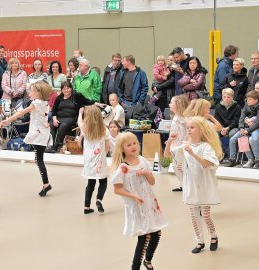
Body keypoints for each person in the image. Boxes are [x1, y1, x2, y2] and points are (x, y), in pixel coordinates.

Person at [111, 132, 167, 270]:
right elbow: (117, 189)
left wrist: (147, 173)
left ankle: (148, 260)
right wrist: (133, 196)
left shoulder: (143, 161)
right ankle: (135, 267)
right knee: (144, 236)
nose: (133, 146)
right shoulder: (123, 168)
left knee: (156, 232)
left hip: (149, 203)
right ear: (122, 148)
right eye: (129, 145)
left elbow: (152, 182)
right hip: (136, 205)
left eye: (135, 143)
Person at [168, 116, 222, 254]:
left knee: (205, 214)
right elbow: (167, 154)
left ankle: (214, 236)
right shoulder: (186, 145)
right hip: (190, 184)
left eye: (192, 127)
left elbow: (207, 164)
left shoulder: (206, 147)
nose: (189, 130)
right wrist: (169, 143)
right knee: (193, 214)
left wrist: (192, 154)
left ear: (200, 130)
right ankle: (200, 241)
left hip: (204, 184)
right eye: (188, 128)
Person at [2, 82, 53, 196]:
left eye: (32, 91)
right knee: (38, 159)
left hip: (39, 134)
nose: (30, 93)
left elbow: (21, 112)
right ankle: (46, 183)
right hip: (40, 132)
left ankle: (46, 184)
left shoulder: (36, 103)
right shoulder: (44, 102)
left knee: (39, 160)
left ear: (38, 93)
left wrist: (8, 120)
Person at [48, 81, 103, 153]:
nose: (66, 90)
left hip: (71, 118)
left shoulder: (76, 95)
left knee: (63, 125)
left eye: (68, 88)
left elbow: (86, 101)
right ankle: (51, 145)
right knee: (51, 125)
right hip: (59, 117)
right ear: (61, 90)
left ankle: (56, 146)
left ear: (71, 88)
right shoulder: (59, 97)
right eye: (64, 89)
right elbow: (54, 110)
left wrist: (97, 104)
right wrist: (54, 118)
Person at [77, 105, 110, 214]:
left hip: (88, 159)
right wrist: (104, 155)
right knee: (103, 181)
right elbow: (108, 146)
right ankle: (99, 199)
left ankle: (86, 206)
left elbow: (79, 122)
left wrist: (80, 113)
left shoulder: (85, 128)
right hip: (100, 159)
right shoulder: (104, 129)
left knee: (90, 183)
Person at [225, 90, 259, 169]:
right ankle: (235, 159)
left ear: (256, 100)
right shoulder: (246, 105)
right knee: (233, 139)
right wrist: (241, 128)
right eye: (247, 99)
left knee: (254, 139)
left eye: (250, 99)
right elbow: (241, 117)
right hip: (245, 128)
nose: (248, 101)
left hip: (256, 128)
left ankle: (258, 161)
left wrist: (248, 130)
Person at [164, 95, 189, 192]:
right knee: (175, 165)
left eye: (171, 102)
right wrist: (170, 140)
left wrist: (184, 142)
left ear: (178, 104)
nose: (169, 104)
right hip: (175, 144)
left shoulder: (183, 118)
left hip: (180, 145)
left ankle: (187, 185)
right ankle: (184, 184)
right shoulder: (175, 116)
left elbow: (186, 131)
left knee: (179, 166)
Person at [214, 88, 242, 158]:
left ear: (232, 97)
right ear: (222, 97)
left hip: (233, 127)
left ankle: (232, 156)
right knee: (214, 134)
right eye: (224, 97)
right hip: (222, 127)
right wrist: (222, 129)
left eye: (228, 97)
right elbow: (217, 120)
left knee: (232, 134)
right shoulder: (218, 106)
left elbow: (236, 121)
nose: (226, 99)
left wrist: (227, 128)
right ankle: (221, 154)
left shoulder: (237, 107)